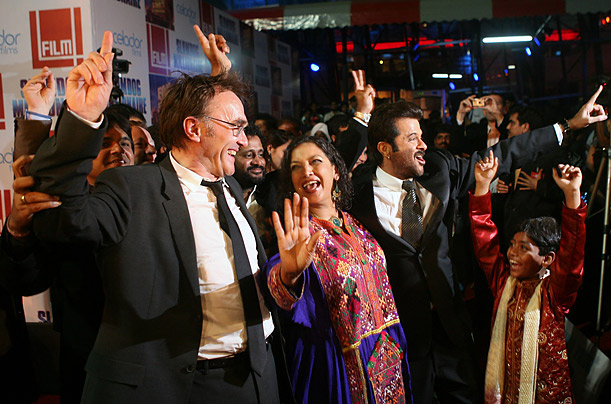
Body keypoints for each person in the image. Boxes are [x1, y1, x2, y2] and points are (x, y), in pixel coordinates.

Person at [28, 30, 290, 404]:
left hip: (254, 380)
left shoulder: (228, 186)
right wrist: (82, 119)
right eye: (235, 127)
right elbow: (63, 217)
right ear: (193, 129)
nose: (244, 140)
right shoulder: (132, 188)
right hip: (169, 387)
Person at [348, 88, 607, 403]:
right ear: (384, 148)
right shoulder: (357, 199)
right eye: (412, 139)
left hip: (451, 328)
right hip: (402, 336)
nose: (423, 145)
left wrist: (566, 126)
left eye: (421, 136)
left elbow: (504, 155)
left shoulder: (439, 169)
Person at [265, 136, 412, 403]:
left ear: (335, 170)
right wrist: (289, 274)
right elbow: (279, 287)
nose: (306, 171)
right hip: (337, 365)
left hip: (385, 356)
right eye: (296, 167)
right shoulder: (300, 237)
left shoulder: (355, 223)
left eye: (315, 162)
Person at [470, 151, 585, 404]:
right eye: (512, 244)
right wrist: (482, 186)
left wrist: (572, 195)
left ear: (547, 259)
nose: (511, 253)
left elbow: (573, 253)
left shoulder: (554, 294)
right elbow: (485, 244)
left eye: (524, 248)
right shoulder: (505, 283)